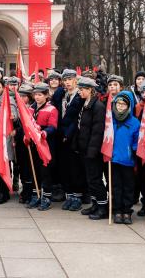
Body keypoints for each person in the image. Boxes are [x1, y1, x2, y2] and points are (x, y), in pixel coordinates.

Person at [75, 77, 107, 220]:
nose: (79, 92)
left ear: (89, 90)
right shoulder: (86, 103)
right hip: (85, 148)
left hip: (92, 151)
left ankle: (102, 206)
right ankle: (95, 203)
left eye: (81, 89)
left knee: (95, 179)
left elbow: (97, 131)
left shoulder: (98, 106)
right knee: (90, 179)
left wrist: (92, 151)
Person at [56, 69, 86, 211]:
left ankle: (77, 196)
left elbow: (76, 119)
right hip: (61, 135)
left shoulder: (80, 96)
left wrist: (67, 134)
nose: (67, 82)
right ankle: (69, 196)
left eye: (70, 79)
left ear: (76, 80)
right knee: (65, 167)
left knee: (75, 168)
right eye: (65, 80)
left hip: (74, 136)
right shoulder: (62, 95)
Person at [110, 91, 140, 224]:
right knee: (116, 186)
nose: (121, 106)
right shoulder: (110, 119)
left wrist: (134, 152)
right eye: (119, 103)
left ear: (129, 106)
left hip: (128, 160)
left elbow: (136, 141)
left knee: (128, 186)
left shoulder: (134, 122)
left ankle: (127, 211)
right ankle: (117, 210)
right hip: (114, 158)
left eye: (124, 104)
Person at [26, 83, 58, 211]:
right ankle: (36, 194)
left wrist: (44, 133)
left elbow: (53, 126)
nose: (37, 97)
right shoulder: (31, 108)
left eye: (40, 94)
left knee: (45, 171)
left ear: (46, 95)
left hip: (46, 143)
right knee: (34, 169)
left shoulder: (52, 109)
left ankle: (46, 197)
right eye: (35, 95)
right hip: (33, 142)